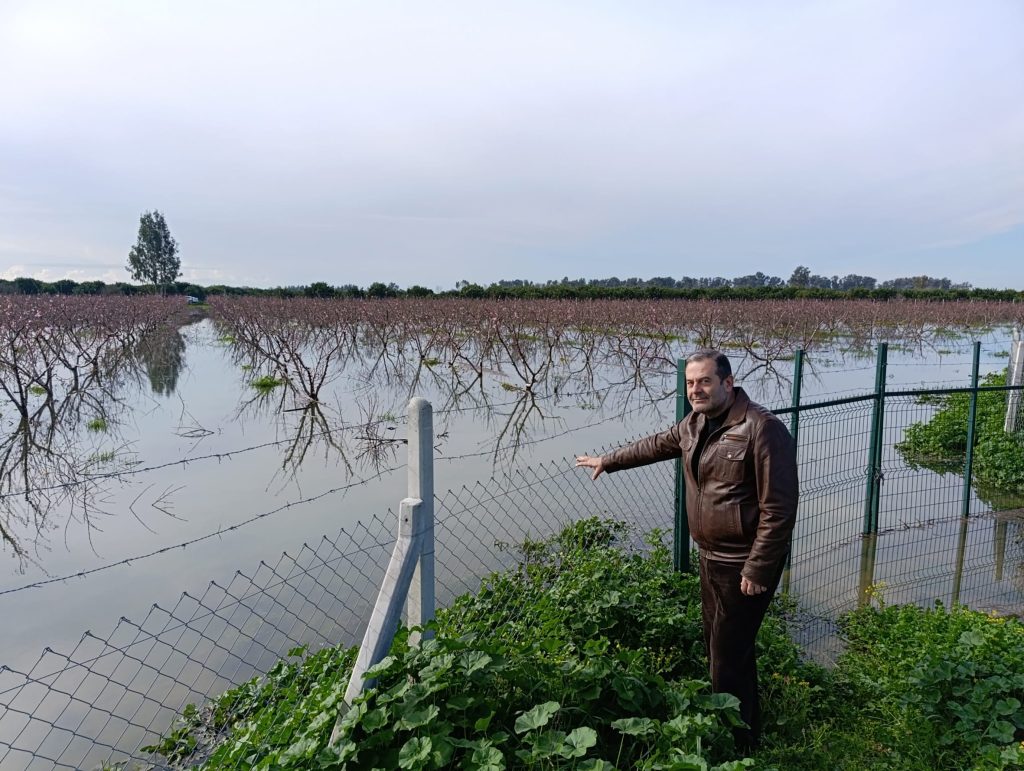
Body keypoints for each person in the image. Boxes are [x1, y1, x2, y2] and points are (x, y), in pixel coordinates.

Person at [574, 349, 798, 749]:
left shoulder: (761, 429)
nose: (696, 389)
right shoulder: (695, 424)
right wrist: (609, 460)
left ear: (728, 383)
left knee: (727, 654)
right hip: (709, 557)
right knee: (723, 645)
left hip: (741, 563)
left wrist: (758, 568)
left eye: (705, 381)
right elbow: (656, 445)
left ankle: (736, 744)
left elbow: (779, 510)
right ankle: (745, 728)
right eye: (691, 383)